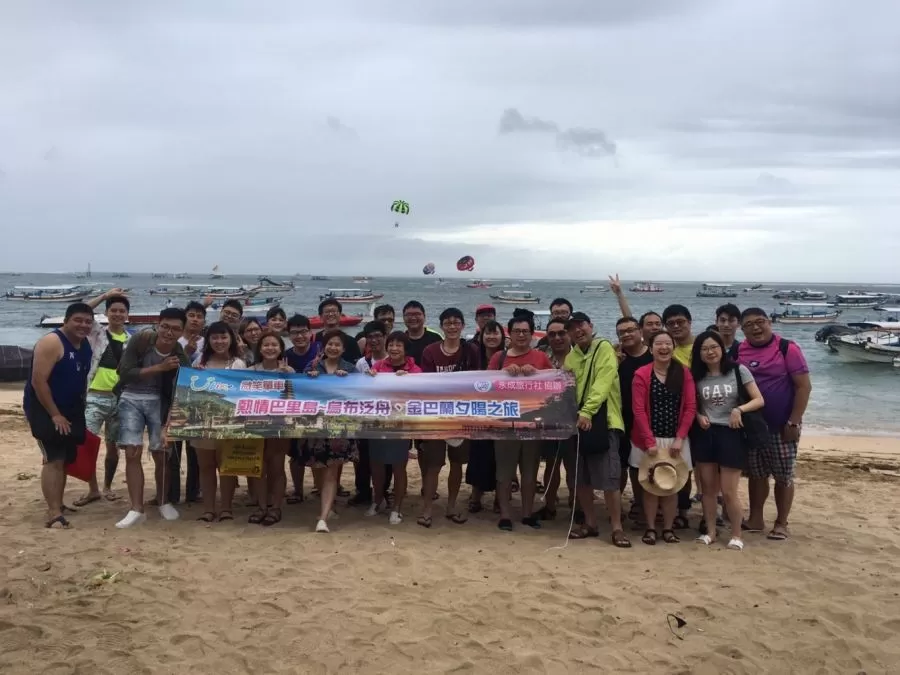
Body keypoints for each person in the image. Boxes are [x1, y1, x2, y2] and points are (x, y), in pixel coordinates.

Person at [737, 307, 811, 541]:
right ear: (742, 329)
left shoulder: (787, 348)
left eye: (760, 321)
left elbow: (803, 387)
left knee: (783, 475)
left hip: (782, 425)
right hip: (753, 426)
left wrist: (794, 421)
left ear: (769, 322)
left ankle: (781, 523)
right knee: (757, 474)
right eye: (749, 324)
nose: (756, 328)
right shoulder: (738, 350)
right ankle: (755, 518)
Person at [114, 308, 191, 528]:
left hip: (159, 402)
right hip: (130, 397)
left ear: (182, 331)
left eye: (175, 329)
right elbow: (124, 372)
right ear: (158, 324)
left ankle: (163, 501)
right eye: (165, 326)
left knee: (162, 453)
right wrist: (159, 367)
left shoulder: (179, 354)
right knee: (132, 452)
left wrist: (170, 422)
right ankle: (136, 508)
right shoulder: (141, 340)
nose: (169, 332)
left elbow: (184, 386)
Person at [691, 330, 765, 550]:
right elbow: (692, 404)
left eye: (714, 347)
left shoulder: (738, 370)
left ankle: (736, 534)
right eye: (704, 349)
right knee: (708, 490)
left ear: (722, 349)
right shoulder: (697, 375)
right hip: (706, 433)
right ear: (699, 353)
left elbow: (759, 399)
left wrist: (738, 410)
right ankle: (711, 532)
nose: (710, 352)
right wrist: (698, 416)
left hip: (731, 433)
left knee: (729, 490)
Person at [24, 302, 94, 529]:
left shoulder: (84, 342)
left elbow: (80, 377)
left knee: (65, 458)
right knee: (53, 458)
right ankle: (53, 513)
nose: (83, 325)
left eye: (88, 322)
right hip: (45, 408)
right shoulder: (51, 342)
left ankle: (59, 504)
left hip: (72, 408)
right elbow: (38, 382)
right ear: (65, 321)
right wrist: (55, 414)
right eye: (78, 320)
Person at [564, 312, 631, 547]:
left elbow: (603, 382)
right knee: (581, 477)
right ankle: (590, 523)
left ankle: (617, 527)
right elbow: (567, 389)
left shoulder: (603, 348)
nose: (577, 330)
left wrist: (588, 411)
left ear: (590, 326)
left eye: (581, 325)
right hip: (577, 423)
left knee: (610, 479)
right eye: (572, 328)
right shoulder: (571, 357)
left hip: (605, 421)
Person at [630, 331, 696, 545]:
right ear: (650, 349)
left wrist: (680, 437)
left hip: (676, 439)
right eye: (659, 344)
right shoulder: (642, 374)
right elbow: (638, 410)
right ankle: (650, 528)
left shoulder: (683, 373)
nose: (664, 347)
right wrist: (649, 441)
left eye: (668, 343)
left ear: (674, 347)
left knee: (671, 486)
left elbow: (690, 407)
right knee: (650, 486)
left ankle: (668, 528)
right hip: (648, 439)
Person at [489, 313, 553, 531]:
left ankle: (527, 513)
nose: (521, 335)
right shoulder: (498, 358)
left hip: (532, 423)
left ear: (532, 334)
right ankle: (505, 514)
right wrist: (503, 374)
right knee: (504, 473)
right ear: (510, 334)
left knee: (529, 473)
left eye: (526, 331)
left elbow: (554, 386)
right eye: (517, 331)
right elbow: (484, 387)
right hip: (505, 422)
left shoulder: (540, 358)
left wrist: (537, 374)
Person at [418, 308, 480, 527]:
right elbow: (426, 382)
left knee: (456, 464)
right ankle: (427, 509)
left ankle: (451, 506)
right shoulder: (430, 351)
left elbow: (477, 380)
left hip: (462, 415)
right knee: (433, 465)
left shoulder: (471, 350)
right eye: (448, 323)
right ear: (441, 326)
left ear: (462, 325)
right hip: (436, 415)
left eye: (456, 322)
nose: (452, 327)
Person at [76, 289, 130, 506]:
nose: (117, 314)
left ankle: (107, 487)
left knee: (113, 447)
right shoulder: (97, 333)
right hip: (94, 398)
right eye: (113, 310)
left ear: (127, 315)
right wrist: (105, 296)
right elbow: (83, 310)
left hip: (119, 400)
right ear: (106, 313)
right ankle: (93, 489)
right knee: (87, 445)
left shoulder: (132, 340)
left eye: (122, 311)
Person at [191, 321, 247, 523]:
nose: (219, 341)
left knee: (227, 466)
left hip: (230, 422)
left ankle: (226, 508)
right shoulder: (199, 362)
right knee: (206, 466)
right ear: (208, 340)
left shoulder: (238, 364)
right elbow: (190, 391)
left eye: (224, 337)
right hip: (203, 422)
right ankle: (208, 509)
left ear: (231, 339)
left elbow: (244, 393)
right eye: (214, 337)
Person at [304, 330, 359, 533]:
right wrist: (309, 378)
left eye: (337, 345)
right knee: (318, 467)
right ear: (323, 347)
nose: (333, 348)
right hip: (316, 425)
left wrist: (349, 380)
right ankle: (329, 506)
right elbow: (300, 390)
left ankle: (323, 517)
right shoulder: (312, 366)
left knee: (331, 471)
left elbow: (360, 393)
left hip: (339, 427)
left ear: (343, 349)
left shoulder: (350, 369)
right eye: (330, 344)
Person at [368, 332, 421, 525]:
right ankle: (378, 500)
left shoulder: (415, 370)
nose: (394, 348)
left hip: (401, 425)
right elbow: (368, 391)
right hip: (378, 423)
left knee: (399, 467)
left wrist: (408, 380)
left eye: (399, 345)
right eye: (391, 344)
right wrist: (369, 377)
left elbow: (420, 394)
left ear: (406, 349)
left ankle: (397, 507)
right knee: (377, 466)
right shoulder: (378, 367)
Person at [247, 330, 294, 526]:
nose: (270, 348)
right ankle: (261, 506)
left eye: (274, 344)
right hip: (255, 424)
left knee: (277, 466)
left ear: (281, 348)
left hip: (279, 424)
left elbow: (293, 398)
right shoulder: (250, 371)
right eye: (266, 344)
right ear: (259, 349)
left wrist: (286, 377)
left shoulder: (288, 371)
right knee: (259, 467)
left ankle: (276, 507)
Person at [533, 317, 574, 520]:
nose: (557, 338)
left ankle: (577, 506)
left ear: (569, 334)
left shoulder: (582, 355)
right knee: (551, 463)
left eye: (561, 333)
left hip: (576, 418)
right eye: (552, 334)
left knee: (574, 465)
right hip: (548, 418)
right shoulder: (541, 357)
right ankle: (549, 505)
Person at [615, 316, 653, 522]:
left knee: (642, 466)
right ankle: (617, 507)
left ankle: (641, 504)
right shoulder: (616, 358)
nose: (627, 334)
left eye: (631, 330)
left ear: (640, 331)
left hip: (648, 420)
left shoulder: (653, 356)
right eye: (622, 332)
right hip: (621, 419)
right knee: (621, 465)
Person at [465, 320, 504, 513]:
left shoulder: (507, 356)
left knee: (500, 457)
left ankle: (500, 498)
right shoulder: (474, 356)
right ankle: (476, 495)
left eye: (495, 333)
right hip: (478, 413)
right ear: (481, 337)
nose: (491, 337)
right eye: (487, 333)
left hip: (502, 413)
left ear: (502, 336)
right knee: (478, 455)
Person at [662, 303, 696, 518]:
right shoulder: (666, 348)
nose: (676, 326)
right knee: (679, 462)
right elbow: (639, 326)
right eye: (670, 323)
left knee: (701, 465)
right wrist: (620, 295)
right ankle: (679, 509)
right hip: (677, 413)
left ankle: (692, 509)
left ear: (689, 322)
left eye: (680, 322)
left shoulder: (702, 346)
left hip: (703, 412)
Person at [283, 314, 322, 503]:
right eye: (295, 333)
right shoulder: (286, 356)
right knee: (295, 453)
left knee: (317, 451)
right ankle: (298, 490)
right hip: (293, 409)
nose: (299, 336)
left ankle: (319, 488)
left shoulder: (320, 349)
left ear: (310, 332)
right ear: (289, 335)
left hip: (317, 408)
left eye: (303, 332)